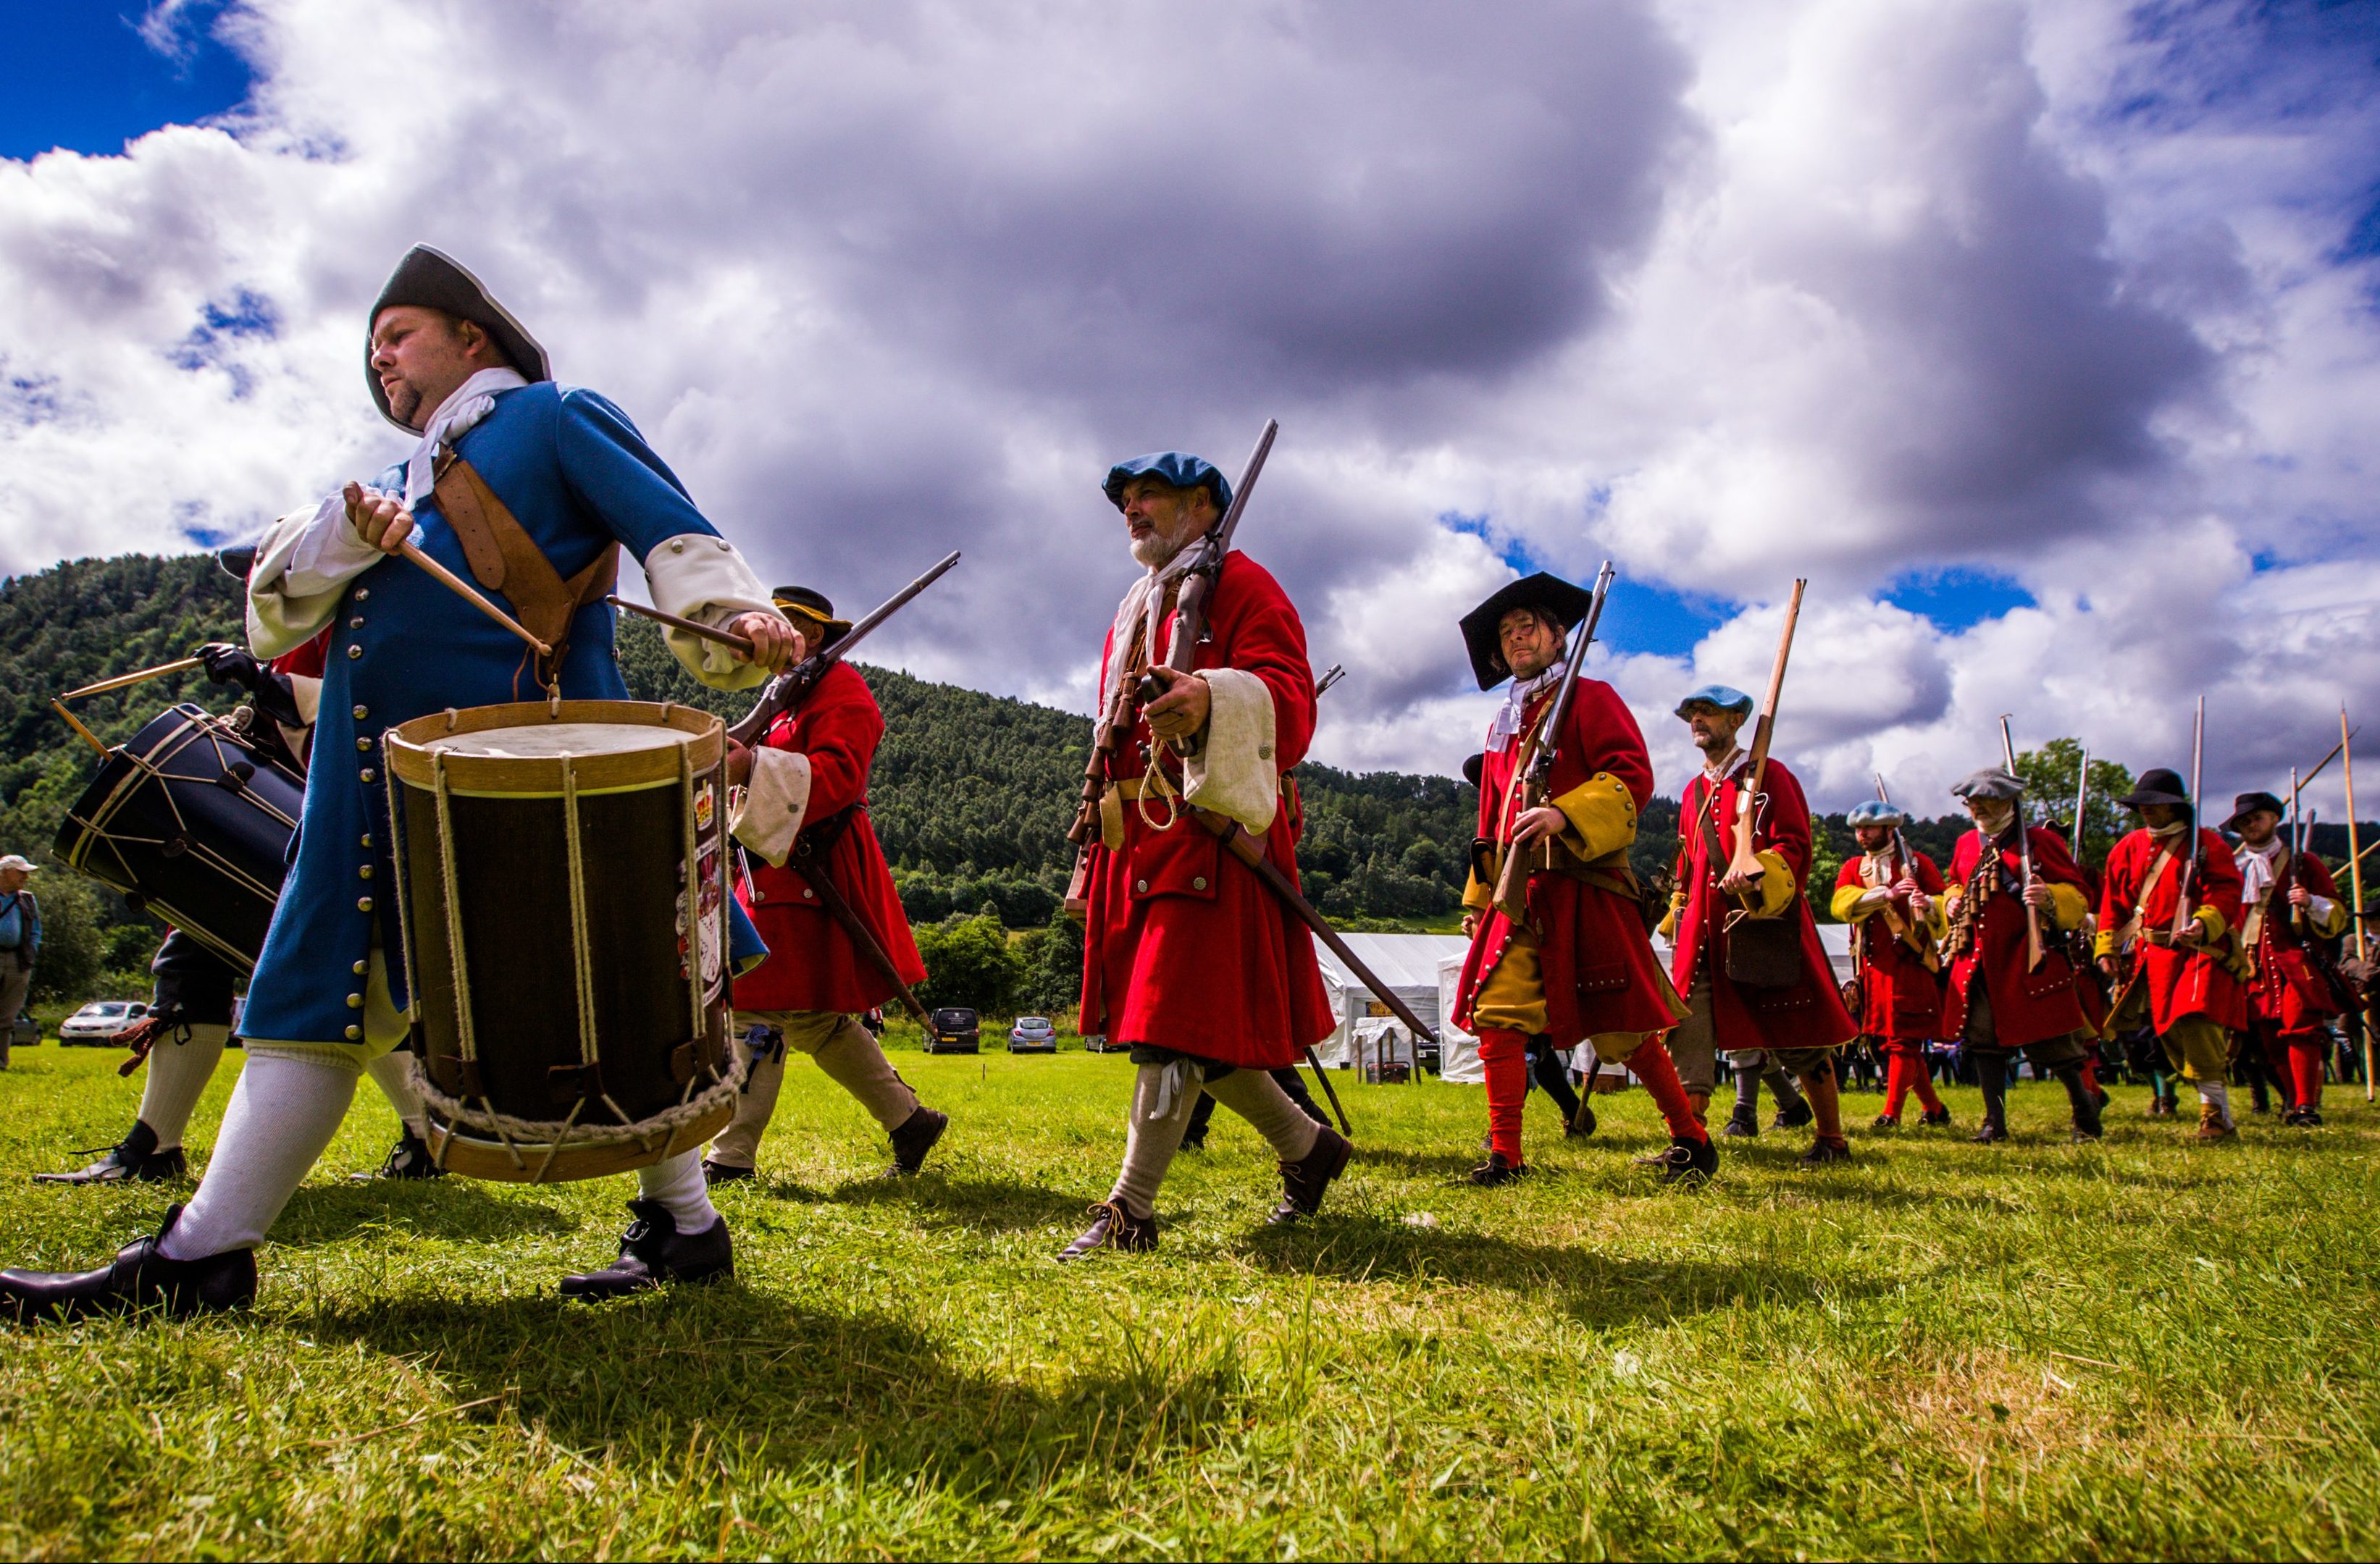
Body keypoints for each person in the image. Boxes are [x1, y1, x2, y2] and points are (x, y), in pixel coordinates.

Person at [2, 245, 797, 1321]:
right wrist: (343, 533)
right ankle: (207, 1255)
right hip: (369, 789)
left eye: (399, 335)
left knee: (615, 988)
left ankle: (681, 1225)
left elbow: (676, 531)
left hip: (528, 774)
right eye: (372, 348)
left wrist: (731, 619)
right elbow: (274, 605)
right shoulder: (381, 487)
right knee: (314, 997)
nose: (381, 360)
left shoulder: (555, 416)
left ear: (475, 338)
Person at [38, 566, 440, 1186]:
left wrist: (263, 683)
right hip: (292, 833)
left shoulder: (364, 623)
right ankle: (155, 1145)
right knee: (213, 965)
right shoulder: (299, 634)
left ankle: (422, 1136)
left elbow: (357, 717)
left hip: (335, 835)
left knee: (358, 982)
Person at [1058, 451, 1352, 1259]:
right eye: (1124, 499)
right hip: (1140, 835)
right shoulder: (1133, 608)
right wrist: (1092, 833)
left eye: (1147, 494)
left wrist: (1213, 694)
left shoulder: (1248, 586)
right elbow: (1110, 732)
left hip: (1212, 831)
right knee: (1190, 1031)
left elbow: (1289, 705)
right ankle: (1309, 1149)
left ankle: (1131, 1210)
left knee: (1167, 1027)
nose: (1131, 509)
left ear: (1200, 505)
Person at [1450, 575, 1711, 1186]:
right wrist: (1479, 899)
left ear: (1558, 635)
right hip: (1518, 894)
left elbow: (1631, 776)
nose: (1517, 639)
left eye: (1528, 628)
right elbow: (1489, 820)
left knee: (1622, 1027)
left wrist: (1565, 811)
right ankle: (1506, 1158)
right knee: (1497, 1012)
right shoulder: (1502, 727)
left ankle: (1692, 1142)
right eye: (1508, 634)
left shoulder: (1591, 697)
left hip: (1585, 886)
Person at [703, 585, 947, 1184]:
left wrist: (748, 765)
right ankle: (909, 1120)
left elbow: (839, 775)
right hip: (773, 871)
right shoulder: (781, 700)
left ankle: (730, 1159)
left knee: (757, 1007)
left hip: (814, 867)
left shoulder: (841, 688)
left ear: (809, 637)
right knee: (811, 1018)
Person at [1662, 686, 1858, 1164]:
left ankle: (1831, 1139)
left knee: (1796, 1031)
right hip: (1703, 931)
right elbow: (1689, 861)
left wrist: (1759, 869)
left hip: (1761, 922)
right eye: (1693, 714)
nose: (1698, 720)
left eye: (1708, 712)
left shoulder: (1771, 775)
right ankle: (1691, 1141)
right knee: (1689, 1031)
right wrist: (1677, 910)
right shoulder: (1693, 791)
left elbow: (1795, 845)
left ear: (1736, 721)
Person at [1940, 769, 2103, 1142]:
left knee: (2055, 1044)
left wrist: (2050, 897)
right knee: (1984, 1042)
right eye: (1972, 802)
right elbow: (1954, 883)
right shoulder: (1967, 843)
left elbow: (2079, 894)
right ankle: (1994, 1122)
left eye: (1986, 800)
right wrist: (1950, 902)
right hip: (1977, 958)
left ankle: (2084, 1111)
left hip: (2026, 955)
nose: (1976, 807)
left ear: (2008, 801)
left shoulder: (2041, 841)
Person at [2096, 768, 2249, 1142]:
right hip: (2153, 957)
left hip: (2198, 951)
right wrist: (2107, 947)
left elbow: (2227, 892)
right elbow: (2114, 904)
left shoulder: (2208, 844)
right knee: (2170, 1036)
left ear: (2174, 806)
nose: (2146, 811)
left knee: (2197, 1025)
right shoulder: (2126, 848)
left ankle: (2215, 1117)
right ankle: (2211, 1111)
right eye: (2141, 805)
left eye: (2155, 805)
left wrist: (2204, 920)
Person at [2225, 791, 2348, 1127]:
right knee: (2268, 1040)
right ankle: (2292, 1101)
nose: (2252, 825)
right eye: (2244, 822)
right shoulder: (2235, 870)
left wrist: (2310, 902)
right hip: (2254, 966)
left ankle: (2307, 1106)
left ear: (2274, 819)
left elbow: (2338, 915)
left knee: (2302, 1030)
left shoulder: (2304, 863)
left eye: (2257, 818)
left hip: (2294, 961)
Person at [1830, 799, 1951, 1130]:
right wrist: (1887, 893)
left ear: (1889, 829)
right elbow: (1840, 905)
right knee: (1895, 1042)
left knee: (1903, 1042)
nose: (1861, 835)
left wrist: (1925, 902)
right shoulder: (1855, 867)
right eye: (1858, 829)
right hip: (1874, 967)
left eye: (1868, 828)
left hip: (1912, 964)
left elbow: (1945, 906)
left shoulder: (1918, 863)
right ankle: (1936, 1109)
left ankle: (1892, 1114)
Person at [0, 855, 41, 1048]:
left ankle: (1, 1060)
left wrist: (31, 952)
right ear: (5, 872)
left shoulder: (28, 899)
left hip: (18, 960)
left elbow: (36, 931)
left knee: (8, 1015)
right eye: (21, 872)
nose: (26, 877)